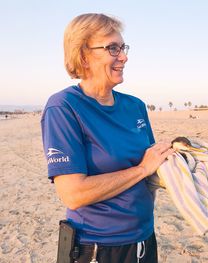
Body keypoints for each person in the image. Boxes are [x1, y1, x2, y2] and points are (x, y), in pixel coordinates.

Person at [41, 13, 174, 263]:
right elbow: (73, 193)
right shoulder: (63, 107)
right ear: (83, 56)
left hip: (144, 240)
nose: (123, 56)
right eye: (113, 48)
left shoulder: (135, 106)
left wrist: (179, 173)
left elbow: (150, 171)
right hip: (98, 247)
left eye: (122, 47)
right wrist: (143, 169)